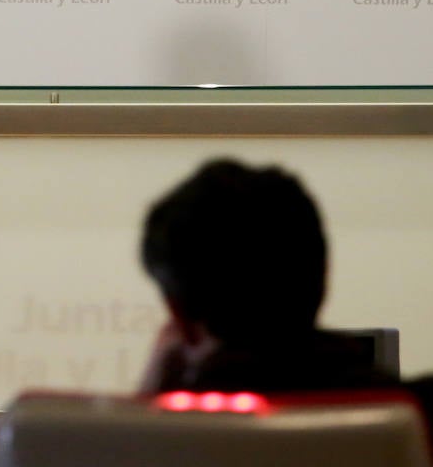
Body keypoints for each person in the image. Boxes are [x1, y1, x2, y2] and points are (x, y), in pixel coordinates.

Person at [137, 158, 396, 395]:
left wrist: (144, 408)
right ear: (322, 274)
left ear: (178, 314)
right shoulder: (415, 413)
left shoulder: (155, 439)